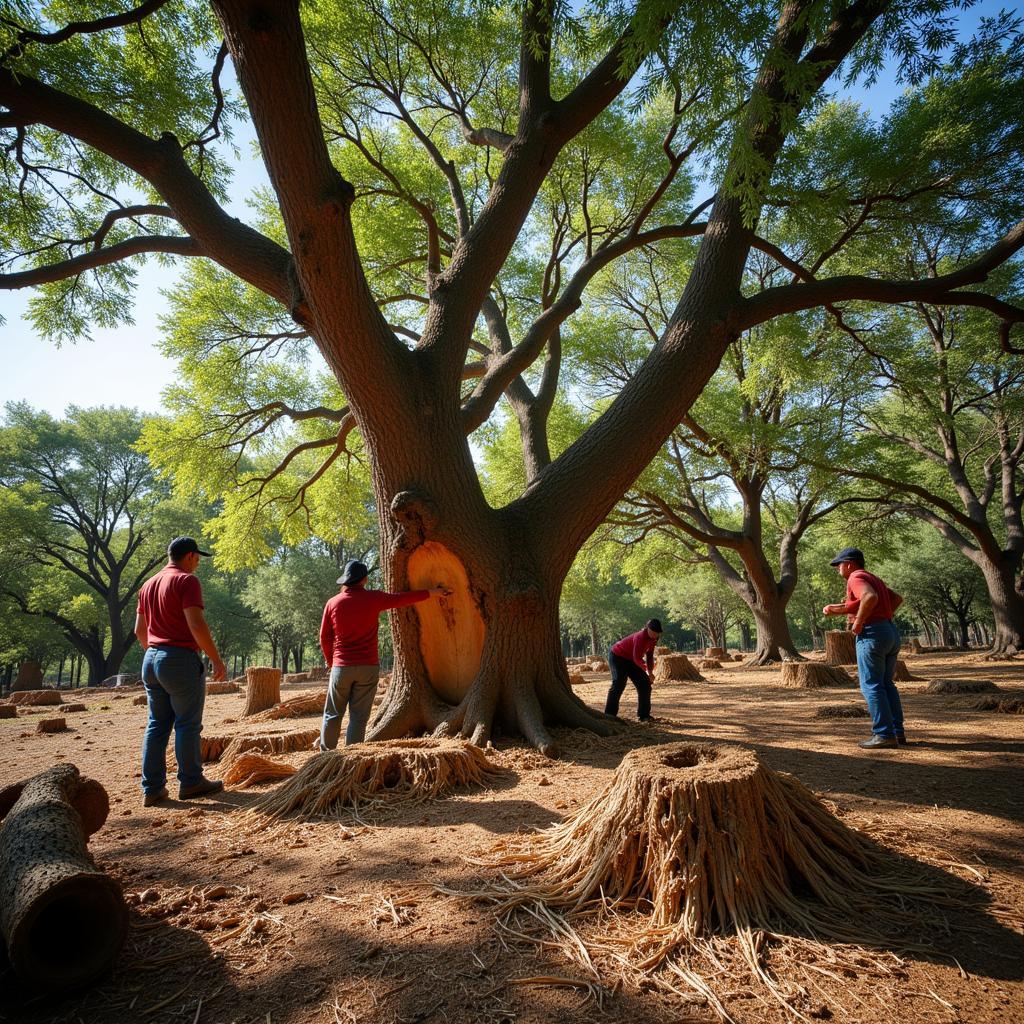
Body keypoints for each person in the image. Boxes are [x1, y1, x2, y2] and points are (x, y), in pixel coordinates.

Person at [317, 559, 449, 749]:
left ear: (345, 581)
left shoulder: (333, 603)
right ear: (365, 580)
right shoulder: (374, 598)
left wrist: (332, 662)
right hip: (368, 667)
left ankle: (325, 758)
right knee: (359, 717)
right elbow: (402, 598)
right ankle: (351, 759)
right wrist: (433, 592)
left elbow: (324, 637)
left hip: (341, 667)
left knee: (332, 714)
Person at [135, 537, 228, 806]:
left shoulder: (148, 584)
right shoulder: (186, 581)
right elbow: (196, 624)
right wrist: (216, 660)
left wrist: (155, 653)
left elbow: (140, 631)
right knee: (187, 723)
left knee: (157, 724)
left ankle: (152, 788)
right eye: (198, 557)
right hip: (179, 658)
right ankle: (191, 782)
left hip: (151, 659)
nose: (198, 563)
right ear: (188, 556)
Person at [822, 547, 905, 749]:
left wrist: (860, 621)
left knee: (872, 685)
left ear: (849, 564)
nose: (837, 569)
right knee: (886, 685)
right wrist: (880, 616)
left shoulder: (855, 577)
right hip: (889, 632)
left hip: (872, 635)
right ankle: (897, 732)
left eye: (838, 565)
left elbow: (869, 597)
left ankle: (884, 734)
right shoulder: (872, 577)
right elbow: (896, 599)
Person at [604, 619, 663, 723]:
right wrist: (645, 672)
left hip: (631, 660)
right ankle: (609, 716)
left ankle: (644, 715)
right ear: (647, 629)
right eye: (653, 632)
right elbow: (637, 658)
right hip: (618, 657)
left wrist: (650, 672)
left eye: (657, 633)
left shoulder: (654, 638)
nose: (655, 635)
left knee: (645, 684)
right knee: (619, 684)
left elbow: (649, 655)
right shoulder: (640, 637)